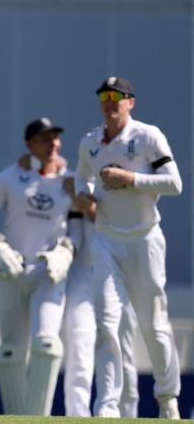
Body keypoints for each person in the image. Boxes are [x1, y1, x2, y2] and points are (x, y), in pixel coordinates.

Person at [74, 76, 182, 419]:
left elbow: (174, 184)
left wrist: (130, 179)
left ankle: (167, 400)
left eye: (117, 97)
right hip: (106, 241)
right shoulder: (90, 141)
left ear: (130, 102)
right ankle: (107, 407)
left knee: (154, 326)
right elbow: (82, 177)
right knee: (107, 323)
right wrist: (83, 197)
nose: (110, 102)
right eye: (105, 96)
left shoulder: (147, 136)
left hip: (145, 241)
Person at [0, 117, 80, 416]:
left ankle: (37, 421)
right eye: (45, 138)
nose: (53, 143)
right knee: (10, 353)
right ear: (30, 144)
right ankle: (17, 420)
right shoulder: (9, 177)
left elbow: (78, 227)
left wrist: (67, 250)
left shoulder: (71, 180)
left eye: (56, 137)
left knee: (46, 345)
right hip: (11, 271)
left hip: (49, 272)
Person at [16, 153, 140, 417]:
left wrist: (85, 205)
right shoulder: (76, 183)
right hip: (82, 275)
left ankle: (125, 414)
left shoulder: (127, 192)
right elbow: (74, 228)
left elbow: (113, 228)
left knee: (123, 350)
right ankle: (78, 415)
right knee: (79, 346)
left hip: (119, 277)